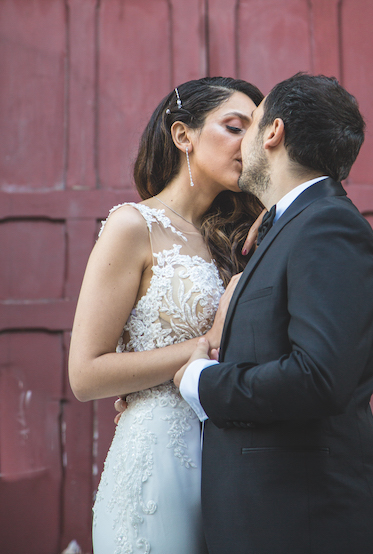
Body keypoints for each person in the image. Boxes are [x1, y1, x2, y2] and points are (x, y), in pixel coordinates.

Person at [175, 73, 373, 554]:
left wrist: (202, 383)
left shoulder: (327, 227)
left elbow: (318, 377)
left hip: (314, 527)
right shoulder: (294, 225)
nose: (242, 144)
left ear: (274, 133)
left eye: (252, 124)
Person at [68, 76, 264, 554]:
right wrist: (199, 347)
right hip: (157, 460)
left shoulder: (240, 238)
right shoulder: (132, 226)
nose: (249, 144)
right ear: (183, 136)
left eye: (256, 131)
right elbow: (85, 374)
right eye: (234, 127)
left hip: (233, 462)